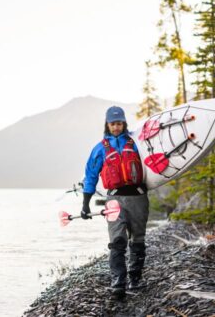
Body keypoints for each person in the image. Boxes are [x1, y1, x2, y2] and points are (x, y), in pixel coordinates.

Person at [81, 106, 149, 299]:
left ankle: (135, 279)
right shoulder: (100, 148)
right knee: (117, 241)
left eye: (119, 123)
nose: (116, 127)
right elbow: (91, 175)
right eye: (113, 124)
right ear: (107, 125)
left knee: (137, 241)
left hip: (138, 197)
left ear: (124, 123)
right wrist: (85, 204)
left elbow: (151, 163)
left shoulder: (136, 142)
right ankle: (118, 282)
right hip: (114, 200)